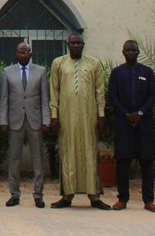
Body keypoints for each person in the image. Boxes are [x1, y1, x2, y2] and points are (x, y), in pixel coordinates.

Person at [49, 33, 110, 209]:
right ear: (67, 44)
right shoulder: (58, 63)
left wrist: (101, 115)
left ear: (83, 44)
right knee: (68, 152)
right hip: (66, 116)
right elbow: (54, 91)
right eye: (73, 43)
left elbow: (99, 90)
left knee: (90, 152)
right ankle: (67, 196)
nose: (76, 45)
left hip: (88, 115)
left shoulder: (94, 63)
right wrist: (54, 115)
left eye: (79, 43)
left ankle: (94, 196)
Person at [108, 39, 155, 213]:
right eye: (128, 50)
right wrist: (126, 114)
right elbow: (113, 96)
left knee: (147, 162)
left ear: (138, 52)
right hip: (124, 123)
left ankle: (148, 200)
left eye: (134, 50)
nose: (131, 53)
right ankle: (122, 199)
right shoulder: (117, 73)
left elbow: (153, 95)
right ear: (123, 52)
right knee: (123, 161)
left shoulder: (147, 72)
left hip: (144, 123)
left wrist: (139, 114)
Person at [0, 42, 50, 208]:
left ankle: (38, 195)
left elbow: (44, 99)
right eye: (20, 52)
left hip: (35, 121)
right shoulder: (7, 72)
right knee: (14, 158)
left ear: (30, 54)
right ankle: (14, 194)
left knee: (38, 159)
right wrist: (3, 121)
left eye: (25, 52)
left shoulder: (41, 72)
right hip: (15, 121)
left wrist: (46, 120)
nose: (22, 55)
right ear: (16, 54)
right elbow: (4, 99)